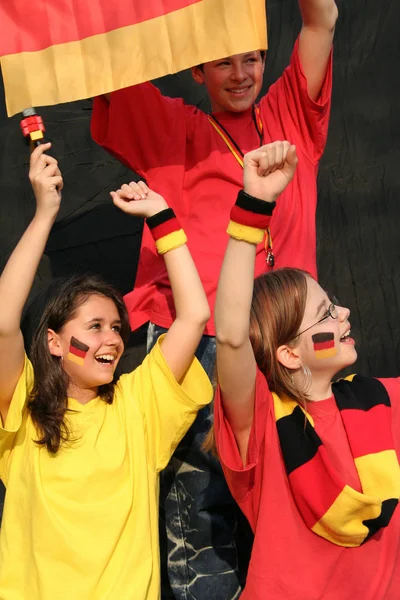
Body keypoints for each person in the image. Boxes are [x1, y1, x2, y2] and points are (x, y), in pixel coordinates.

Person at [91, 2, 338, 595]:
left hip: (283, 347)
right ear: (196, 70)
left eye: (250, 58)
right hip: (192, 341)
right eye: (221, 62)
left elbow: (321, 21)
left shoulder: (290, 115)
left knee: (293, 499)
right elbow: (105, 58)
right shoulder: (172, 127)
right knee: (199, 512)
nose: (240, 73)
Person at [0, 143, 213, 600]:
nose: (112, 339)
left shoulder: (139, 406)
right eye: (94, 327)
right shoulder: (24, 412)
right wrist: (44, 215)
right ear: (54, 342)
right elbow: (3, 318)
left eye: (116, 327)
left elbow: (194, 316)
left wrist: (162, 218)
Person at [213, 140, 400, 599]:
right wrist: (254, 206)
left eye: (334, 304)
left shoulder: (386, 401)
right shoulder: (258, 427)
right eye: (326, 313)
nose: (345, 314)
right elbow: (233, 336)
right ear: (289, 354)